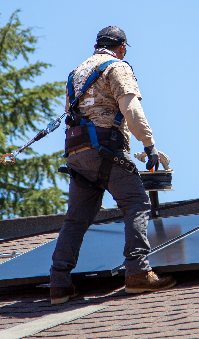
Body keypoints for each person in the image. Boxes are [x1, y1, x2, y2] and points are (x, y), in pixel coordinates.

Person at [50, 26, 175, 304]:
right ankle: (138, 273)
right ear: (121, 47)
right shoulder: (117, 67)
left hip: (78, 153)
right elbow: (130, 109)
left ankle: (59, 283)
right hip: (107, 149)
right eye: (125, 49)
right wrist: (149, 145)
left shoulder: (76, 74)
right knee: (136, 204)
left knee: (76, 219)